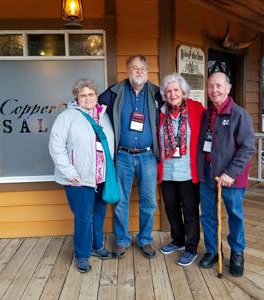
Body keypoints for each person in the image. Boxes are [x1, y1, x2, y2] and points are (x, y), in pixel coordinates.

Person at [99, 55, 162, 258]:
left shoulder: (157, 93)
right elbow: (94, 108)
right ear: (127, 71)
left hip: (147, 156)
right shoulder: (113, 94)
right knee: (121, 201)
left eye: (143, 68)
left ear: (148, 71)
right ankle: (122, 240)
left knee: (148, 201)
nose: (139, 71)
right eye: (135, 67)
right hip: (123, 156)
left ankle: (145, 239)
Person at [49, 79, 115, 273]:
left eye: (91, 94)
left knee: (99, 213)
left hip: (101, 177)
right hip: (78, 178)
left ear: (96, 96)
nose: (87, 98)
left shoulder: (103, 115)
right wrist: (69, 171)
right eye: (83, 95)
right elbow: (56, 146)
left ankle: (97, 246)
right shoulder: (67, 116)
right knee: (84, 217)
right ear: (76, 98)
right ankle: (82, 254)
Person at [197, 72, 255, 277]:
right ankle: (213, 251)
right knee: (209, 216)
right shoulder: (206, 114)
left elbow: (247, 148)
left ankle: (237, 252)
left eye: (219, 86)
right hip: (207, 175)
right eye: (211, 86)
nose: (214, 90)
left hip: (231, 179)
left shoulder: (239, 115)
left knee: (235, 216)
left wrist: (230, 173)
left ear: (228, 88)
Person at [157, 73, 204, 266]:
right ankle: (177, 240)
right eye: (168, 91)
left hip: (188, 171)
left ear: (183, 91)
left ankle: (191, 247)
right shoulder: (160, 112)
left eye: (176, 90)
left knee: (191, 210)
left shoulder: (196, 109)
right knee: (171, 208)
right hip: (167, 171)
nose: (172, 93)